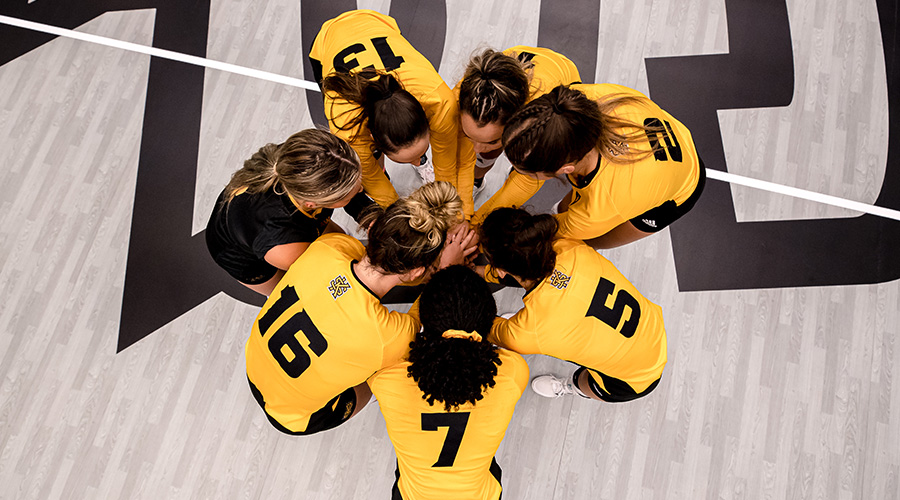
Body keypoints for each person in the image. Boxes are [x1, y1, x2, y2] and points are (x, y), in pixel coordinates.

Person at [245, 181, 476, 436]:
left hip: (254, 362)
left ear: (376, 228)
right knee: (385, 370)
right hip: (293, 417)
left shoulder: (331, 247)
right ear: (417, 272)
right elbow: (425, 316)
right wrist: (447, 271)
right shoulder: (387, 337)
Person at [368, 265, 528, 499]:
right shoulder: (512, 371)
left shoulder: (387, 374)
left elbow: (402, 336)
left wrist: (439, 275)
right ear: (486, 323)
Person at [479, 207, 666, 403]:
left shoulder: (522, 334)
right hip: (652, 325)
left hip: (634, 380)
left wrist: (461, 274)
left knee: (584, 380)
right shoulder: (568, 245)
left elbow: (485, 324)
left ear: (500, 270)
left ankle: (569, 386)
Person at [501, 84, 706, 248]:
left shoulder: (603, 205)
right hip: (672, 137)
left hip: (684, 184)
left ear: (566, 168)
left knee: (586, 242)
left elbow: (558, 230)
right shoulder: (575, 102)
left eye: (525, 172)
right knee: (570, 205)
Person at [310, 10, 461, 211]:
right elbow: (370, 176)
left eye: (422, 153)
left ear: (426, 118)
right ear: (374, 138)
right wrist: (399, 212)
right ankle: (387, 162)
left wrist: (447, 203)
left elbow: (447, 163)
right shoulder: (346, 126)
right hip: (329, 39)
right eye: (414, 159)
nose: (416, 160)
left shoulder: (440, 101)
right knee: (367, 162)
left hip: (376, 23)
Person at [205, 128, 363, 296]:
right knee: (291, 294)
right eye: (348, 194)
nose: (361, 189)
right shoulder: (283, 246)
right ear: (313, 204)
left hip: (260, 219)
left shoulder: (308, 159)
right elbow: (318, 275)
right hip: (237, 253)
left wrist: (367, 213)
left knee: (341, 241)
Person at [454, 47, 581, 221]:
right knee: (484, 155)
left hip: (560, 75)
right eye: (470, 135)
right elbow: (460, 157)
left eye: (492, 140)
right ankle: (478, 180)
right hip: (522, 63)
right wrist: (463, 210)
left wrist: (477, 222)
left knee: (527, 164)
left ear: (517, 124)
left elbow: (527, 181)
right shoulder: (465, 94)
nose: (476, 148)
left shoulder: (543, 122)